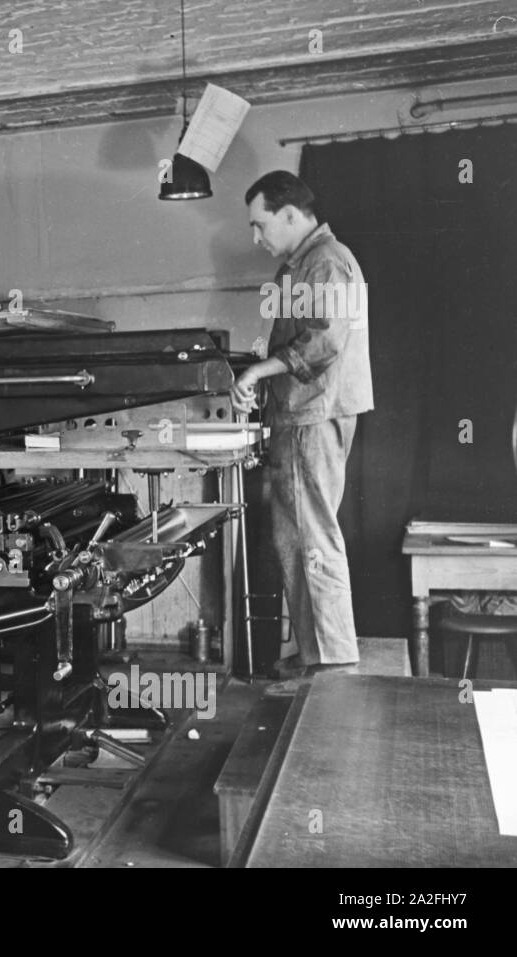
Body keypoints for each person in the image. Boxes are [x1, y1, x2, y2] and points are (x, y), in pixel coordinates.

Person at [230, 171, 374, 679]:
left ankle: (331, 659)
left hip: (314, 413)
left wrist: (259, 370)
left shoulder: (326, 261)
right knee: (297, 537)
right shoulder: (306, 264)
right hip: (304, 413)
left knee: (312, 537)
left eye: (260, 224)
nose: (256, 238)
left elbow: (323, 342)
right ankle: (314, 651)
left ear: (291, 214)